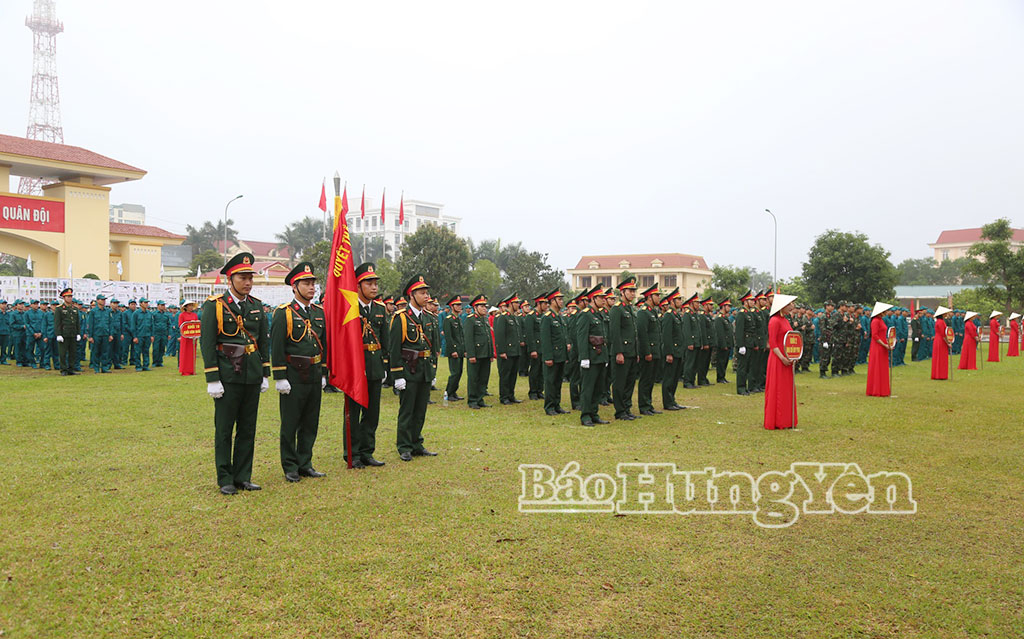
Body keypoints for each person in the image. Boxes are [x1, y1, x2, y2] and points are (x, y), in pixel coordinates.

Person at [200, 253, 271, 495]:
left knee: (248, 428)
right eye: (243, 278)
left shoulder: (257, 306)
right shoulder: (215, 305)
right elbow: (208, 343)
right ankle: (225, 478)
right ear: (230, 279)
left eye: (250, 278)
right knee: (224, 429)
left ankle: (243, 476)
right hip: (228, 373)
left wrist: (264, 373)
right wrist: (212, 378)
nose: (248, 282)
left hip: (250, 373)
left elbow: (263, 342)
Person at [271, 262, 329, 480]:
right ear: (294, 287)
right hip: (293, 375)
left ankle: (305, 462)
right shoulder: (283, 313)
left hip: (313, 373)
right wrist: (280, 377)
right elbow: (277, 347)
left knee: (310, 422)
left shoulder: (319, 313)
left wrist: (323, 373)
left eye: (313, 283)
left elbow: (324, 344)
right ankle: (290, 466)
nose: (312, 287)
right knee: (290, 423)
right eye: (306, 283)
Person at [388, 275, 438, 461]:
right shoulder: (400, 318)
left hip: (424, 369)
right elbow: (394, 350)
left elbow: (432, 347)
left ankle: (417, 442)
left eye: (427, 293)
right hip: (409, 370)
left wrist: (432, 370)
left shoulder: (428, 317)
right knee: (407, 410)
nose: (426, 296)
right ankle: (404, 446)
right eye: (422, 293)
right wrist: (397, 375)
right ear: (412, 295)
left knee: (420, 410)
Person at [346, 262, 387, 468]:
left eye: (375, 284)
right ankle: (352, 454)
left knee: (372, 413)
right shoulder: (348, 308)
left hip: (375, 366)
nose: (374, 287)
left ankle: (367, 451)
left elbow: (385, 340)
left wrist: (386, 366)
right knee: (353, 413)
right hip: (355, 368)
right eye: (368, 283)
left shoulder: (380, 308)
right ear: (358, 285)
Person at [576, 286, 610, 427]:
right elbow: (582, 337)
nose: (604, 300)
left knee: (598, 388)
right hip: (590, 357)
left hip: (600, 357)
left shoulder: (599, 314)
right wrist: (584, 357)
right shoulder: (585, 314)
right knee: (588, 388)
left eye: (604, 297)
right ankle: (585, 415)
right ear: (593, 299)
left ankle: (594, 413)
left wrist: (606, 357)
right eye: (601, 297)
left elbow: (604, 337)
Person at [764, 294, 799, 430]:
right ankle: (777, 419)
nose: (792, 306)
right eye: (790, 304)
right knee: (778, 389)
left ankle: (787, 419)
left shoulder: (785, 320)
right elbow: (773, 343)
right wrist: (782, 358)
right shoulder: (774, 320)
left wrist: (792, 355)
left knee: (786, 389)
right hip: (778, 359)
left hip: (787, 358)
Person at [539, 289, 570, 416]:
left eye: (562, 299)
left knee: (557, 382)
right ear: (552, 301)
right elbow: (546, 339)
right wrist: (548, 357)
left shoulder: (559, 317)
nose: (562, 302)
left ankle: (557, 404)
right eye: (559, 299)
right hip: (552, 356)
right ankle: (549, 406)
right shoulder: (547, 317)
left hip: (560, 355)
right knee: (550, 382)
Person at [635, 285, 662, 416]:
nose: (659, 298)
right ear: (650, 297)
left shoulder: (653, 312)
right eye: (657, 295)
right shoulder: (643, 312)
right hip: (648, 351)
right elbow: (642, 334)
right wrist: (647, 352)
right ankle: (643, 405)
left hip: (655, 350)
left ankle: (648, 404)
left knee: (651, 380)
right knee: (645, 379)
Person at [465, 295, 494, 409]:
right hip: (476, 354)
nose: (484, 308)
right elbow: (469, 338)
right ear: (475, 307)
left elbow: (488, 338)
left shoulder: (484, 319)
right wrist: (471, 355)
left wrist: (491, 354)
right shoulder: (470, 319)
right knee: (474, 378)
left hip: (485, 354)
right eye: (481, 306)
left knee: (483, 378)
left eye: (485, 306)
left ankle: (480, 398)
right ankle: (472, 400)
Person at [493, 295, 522, 404]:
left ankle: (511, 395)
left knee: (513, 374)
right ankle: (504, 397)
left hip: (515, 351)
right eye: (516, 303)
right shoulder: (503, 317)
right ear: (510, 304)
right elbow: (500, 336)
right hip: (507, 351)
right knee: (505, 375)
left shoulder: (514, 317)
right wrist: (502, 351)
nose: (518, 305)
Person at [659, 288, 685, 410]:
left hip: (678, 351)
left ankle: (672, 400)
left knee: (674, 378)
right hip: (672, 351)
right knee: (669, 378)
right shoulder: (669, 316)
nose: (680, 301)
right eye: (678, 299)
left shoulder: (676, 315)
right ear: (672, 301)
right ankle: (667, 402)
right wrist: (669, 353)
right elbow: (667, 336)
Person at [866, 302, 893, 397]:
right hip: (877, 346)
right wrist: (884, 345)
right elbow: (875, 336)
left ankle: (883, 389)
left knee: (882, 367)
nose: (886, 312)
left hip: (883, 345)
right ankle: (876, 389)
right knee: (877, 367)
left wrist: (888, 343)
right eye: (884, 311)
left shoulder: (881, 320)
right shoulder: (875, 321)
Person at [443, 295, 466, 401]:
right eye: (457, 305)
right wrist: (453, 350)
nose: (460, 306)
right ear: (452, 306)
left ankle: (454, 392)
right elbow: (449, 337)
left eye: (460, 305)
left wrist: (464, 349)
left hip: (460, 350)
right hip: (454, 350)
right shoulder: (449, 320)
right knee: (455, 373)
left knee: (459, 372)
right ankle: (448, 392)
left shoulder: (458, 319)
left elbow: (461, 336)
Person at [54, 288, 80, 375]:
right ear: (64, 298)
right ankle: (63, 369)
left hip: (72, 333)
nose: (70, 298)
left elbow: (77, 323)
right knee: (63, 353)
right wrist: (58, 334)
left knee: (73, 353)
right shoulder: (59, 309)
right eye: (68, 296)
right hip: (64, 334)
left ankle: (71, 369)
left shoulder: (75, 309)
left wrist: (78, 333)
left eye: (71, 296)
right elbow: (57, 323)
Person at [86, 294, 115, 373]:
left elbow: (110, 323)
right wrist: (90, 336)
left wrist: (111, 334)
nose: (104, 301)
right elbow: (90, 324)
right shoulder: (93, 312)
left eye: (104, 300)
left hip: (105, 334)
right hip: (96, 334)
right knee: (96, 352)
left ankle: (104, 367)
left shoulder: (108, 311)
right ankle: (96, 368)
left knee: (105, 352)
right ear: (97, 301)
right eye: (102, 300)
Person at [131, 298, 155, 371]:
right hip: (139, 335)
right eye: (145, 302)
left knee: (146, 351)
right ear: (140, 303)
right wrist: (135, 336)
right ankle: (138, 366)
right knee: (137, 351)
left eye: (147, 303)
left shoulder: (149, 313)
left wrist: (152, 335)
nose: (146, 304)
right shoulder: (136, 313)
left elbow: (152, 325)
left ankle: (145, 365)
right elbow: (133, 326)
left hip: (147, 335)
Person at [712, 298, 733, 383]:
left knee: (725, 361)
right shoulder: (719, 318)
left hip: (727, 343)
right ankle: (720, 377)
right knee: (721, 361)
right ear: (723, 307)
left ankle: (723, 377)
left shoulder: (725, 317)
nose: (729, 308)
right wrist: (723, 344)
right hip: (722, 344)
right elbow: (720, 333)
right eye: (728, 306)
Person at [931, 307, 952, 380]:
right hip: (940, 340)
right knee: (941, 357)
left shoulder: (939, 321)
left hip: (938, 339)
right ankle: (940, 374)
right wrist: (948, 342)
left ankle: (937, 373)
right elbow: (943, 334)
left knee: (938, 357)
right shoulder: (941, 322)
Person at [178, 301, 199, 375]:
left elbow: (197, 324)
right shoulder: (182, 315)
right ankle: (184, 370)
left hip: (193, 337)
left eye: (192, 306)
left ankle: (192, 370)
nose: (191, 307)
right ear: (185, 307)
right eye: (189, 306)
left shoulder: (195, 315)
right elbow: (181, 326)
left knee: (192, 353)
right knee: (185, 353)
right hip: (185, 337)